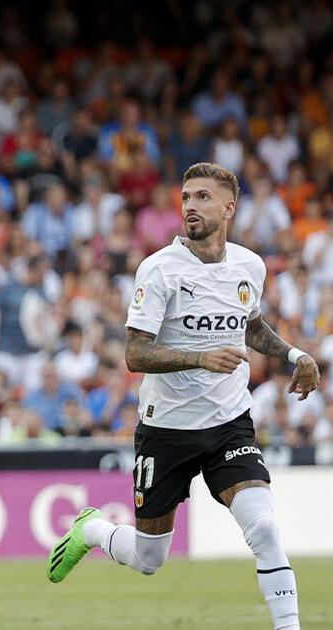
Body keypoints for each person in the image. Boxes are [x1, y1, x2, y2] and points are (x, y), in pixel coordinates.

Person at [47, 163, 318, 630]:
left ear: (229, 207)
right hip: (166, 429)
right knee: (150, 558)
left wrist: (296, 355)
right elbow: (135, 353)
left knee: (266, 528)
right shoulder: (159, 269)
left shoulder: (250, 265)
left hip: (230, 423)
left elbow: (249, 325)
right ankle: (91, 529)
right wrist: (199, 358)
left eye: (203, 197)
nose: (190, 205)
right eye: (186, 197)